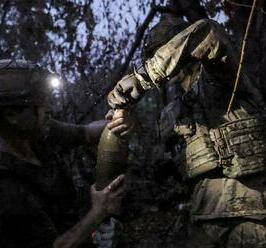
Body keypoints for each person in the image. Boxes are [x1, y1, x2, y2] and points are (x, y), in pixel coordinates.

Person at [107, 15, 266, 247]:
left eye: (164, 52)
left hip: (254, 214)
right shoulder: (171, 113)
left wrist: (143, 78)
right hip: (205, 223)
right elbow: (163, 179)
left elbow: (207, 33)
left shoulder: (221, 76)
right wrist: (125, 127)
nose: (162, 60)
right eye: (153, 56)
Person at [0, 59, 125, 248]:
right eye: (39, 104)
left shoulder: (30, 132)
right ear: (11, 116)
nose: (49, 109)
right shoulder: (1, 189)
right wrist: (98, 212)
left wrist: (117, 119)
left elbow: (86, 133)